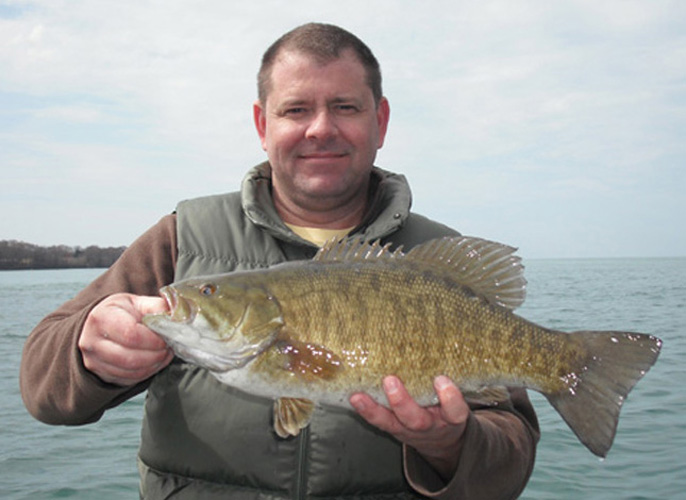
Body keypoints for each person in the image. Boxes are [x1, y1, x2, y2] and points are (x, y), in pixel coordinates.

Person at [20, 23, 539, 499]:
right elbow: (43, 389)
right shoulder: (182, 239)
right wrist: (88, 351)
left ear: (379, 122)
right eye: (295, 110)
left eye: (345, 107)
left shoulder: (433, 262)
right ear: (261, 124)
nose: (320, 129)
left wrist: (451, 445)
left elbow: (511, 463)